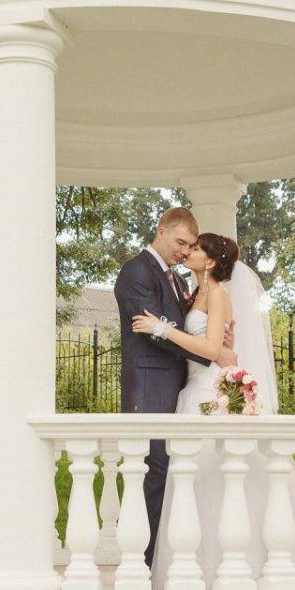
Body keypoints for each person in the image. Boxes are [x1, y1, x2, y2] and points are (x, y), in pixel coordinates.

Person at [131, 234, 295, 590]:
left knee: (212, 480)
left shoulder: (218, 295)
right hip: (192, 390)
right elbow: (219, 347)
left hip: (206, 392)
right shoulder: (194, 293)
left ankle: (226, 566)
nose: (188, 252)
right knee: (194, 484)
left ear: (210, 261)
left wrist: (161, 329)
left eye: (196, 249)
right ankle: (194, 567)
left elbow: (211, 350)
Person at [112, 207, 234, 567]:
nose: (184, 252)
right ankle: (138, 564)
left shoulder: (182, 283)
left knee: (173, 475)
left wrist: (217, 345)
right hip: (149, 387)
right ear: (161, 230)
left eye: (190, 246)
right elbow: (150, 329)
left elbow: (179, 329)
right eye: (180, 243)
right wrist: (212, 350)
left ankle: (163, 562)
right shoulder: (136, 270)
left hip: (182, 390)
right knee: (152, 472)